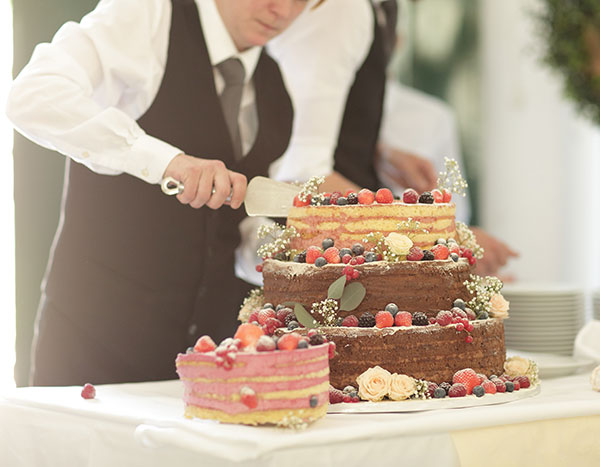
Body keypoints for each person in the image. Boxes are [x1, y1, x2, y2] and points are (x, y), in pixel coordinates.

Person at [6, 0, 315, 386]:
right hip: (94, 351)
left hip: (203, 367)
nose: (281, 9)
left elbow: (232, 228)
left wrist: (297, 253)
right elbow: (34, 94)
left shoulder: (275, 89)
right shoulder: (147, 15)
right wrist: (167, 162)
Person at [266, 0, 518, 278]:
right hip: (315, 266)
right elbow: (300, 172)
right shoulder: (339, 10)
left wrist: (376, 153)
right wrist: (444, 236)